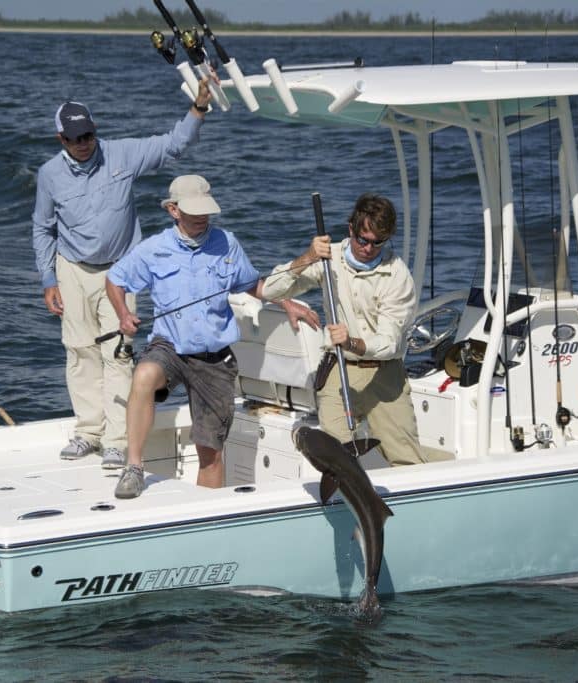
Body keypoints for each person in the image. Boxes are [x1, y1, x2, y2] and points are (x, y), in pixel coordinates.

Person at [31, 79, 214, 467]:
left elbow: (173, 145)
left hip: (120, 272)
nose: (84, 143)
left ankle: (116, 440)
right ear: (60, 138)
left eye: (89, 134)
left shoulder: (122, 155)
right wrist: (48, 278)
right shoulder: (49, 175)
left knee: (119, 354)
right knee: (80, 353)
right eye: (75, 137)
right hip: (72, 270)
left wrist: (198, 108)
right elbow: (43, 228)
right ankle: (87, 432)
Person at [106, 175, 316, 498]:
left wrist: (287, 303)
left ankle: (205, 513)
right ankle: (134, 467)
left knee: (211, 454)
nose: (202, 218)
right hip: (170, 347)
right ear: (173, 210)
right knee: (145, 374)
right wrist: (123, 314)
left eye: (206, 211)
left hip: (215, 357)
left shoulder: (227, 243)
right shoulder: (154, 250)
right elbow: (115, 279)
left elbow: (254, 284)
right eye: (193, 212)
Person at [261, 193, 433, 466]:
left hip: (384, 373)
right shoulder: (329, 258)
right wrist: (306, 258)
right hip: (339, 371)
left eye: (378, 243)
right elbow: (270, 289)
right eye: (363, 240)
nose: (368, 248)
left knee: (406, 460)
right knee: (335, 459)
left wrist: (352, 342)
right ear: (350, 229)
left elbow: (388, 343)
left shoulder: (397, 275)